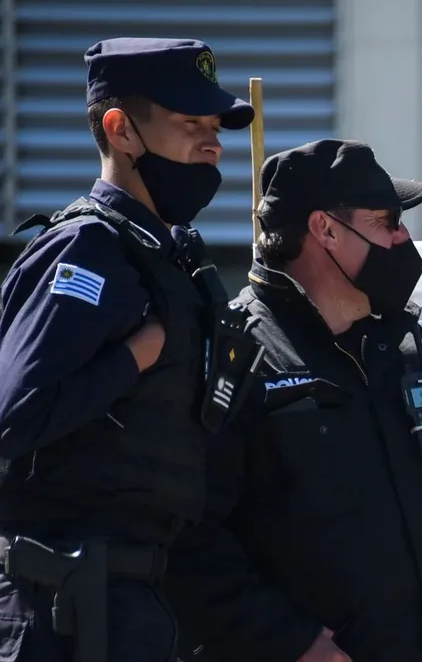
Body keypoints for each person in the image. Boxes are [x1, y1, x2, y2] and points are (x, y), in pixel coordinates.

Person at [163, 139, 422, 662]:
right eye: (387, 222)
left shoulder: (414, 351)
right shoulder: (230, 356)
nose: (404, 239)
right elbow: (185, 542)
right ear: (325, 230)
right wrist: (287, 643)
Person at [0, 38, 255, 662]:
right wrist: (130, 359)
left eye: (216, 127)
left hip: (141, 602)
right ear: (121, 130)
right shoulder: (86, 249)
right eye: (190, 123)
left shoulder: (175, 262)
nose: (213, 143)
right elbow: (14, 415)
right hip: (59, 609)